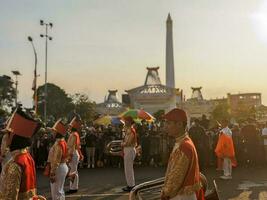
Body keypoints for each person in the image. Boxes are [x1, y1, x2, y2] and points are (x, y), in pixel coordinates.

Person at [0, 108, 46, 199]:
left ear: (13, 136)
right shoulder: (26, 156)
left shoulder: (14, 164)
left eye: (7, 133)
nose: (4, 136)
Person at [161, 108, 204, 200]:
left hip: (182, 196)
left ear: (180, 124)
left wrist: (165, 192)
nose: (165, 126)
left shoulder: (184, 146)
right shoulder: (183, 142)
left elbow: (176, 177)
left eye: (168, 123)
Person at [48, 119, 69, 200]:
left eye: (54, 131)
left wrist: (52, 171)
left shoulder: (58, 144)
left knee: (56, 192)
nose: (52, 132)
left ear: (57, 133)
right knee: (59, 191)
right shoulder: (62, 141)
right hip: (62, 166)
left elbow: (56, 159)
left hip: (58, 167)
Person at [66, 116, 84, 194]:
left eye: (70, 126)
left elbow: (72, 147)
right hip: (74, 153)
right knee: (74, 171)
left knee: (73, 171)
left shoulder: (73, 135)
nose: (69, 127)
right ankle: (74, 187)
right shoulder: (75, 134)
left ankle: (73, 188)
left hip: (73, 153)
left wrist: (69, 156)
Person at [121, 116, 137, 192]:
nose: (125, 122)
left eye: (126, 121)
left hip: (129, 149)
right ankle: (130, 184)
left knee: (129, 169)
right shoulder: (128, 130)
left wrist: (122, 144)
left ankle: (131, 185)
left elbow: (128, 142)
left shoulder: (131, 130)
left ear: (130, 122)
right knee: (127, 169)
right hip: (128, 150)